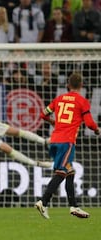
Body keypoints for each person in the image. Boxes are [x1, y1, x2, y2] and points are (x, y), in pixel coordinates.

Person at [35, 73, 100, 219]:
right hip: (67, 142)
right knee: (61, 172)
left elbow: (43, 114)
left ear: (68, 85)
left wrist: (53, 122)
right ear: (81, 85)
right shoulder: (82, 101)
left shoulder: (59, 99)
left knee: (70, 171)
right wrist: (96, 130)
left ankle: (74, 206)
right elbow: (89, 123)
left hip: (54, 140)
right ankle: (43, 202)